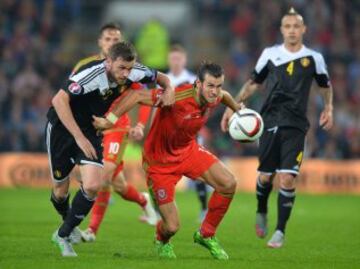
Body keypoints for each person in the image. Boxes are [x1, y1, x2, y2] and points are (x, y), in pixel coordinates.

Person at [93, 62, 242, 260]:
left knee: (228, 183)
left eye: (218, 86)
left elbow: (225, 97)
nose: (215, 92)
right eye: (211, 86)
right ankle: (161, 239)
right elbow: (136, 95)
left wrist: (237, 109)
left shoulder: (215, 97)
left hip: (188, 151)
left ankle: (206, 234)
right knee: (172, 226)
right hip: (159, 162)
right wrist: (110, 119)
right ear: (198, 84)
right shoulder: (177, 96)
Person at [46, 41, 174, 257]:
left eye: (129, 68)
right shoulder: (91, 75)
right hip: (62, 128)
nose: (126, 74)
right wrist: (78, 137)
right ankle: (68, 220)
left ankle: (63, 234)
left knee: (94, 185)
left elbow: (162, 78)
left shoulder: (134, 72)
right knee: (60, 191)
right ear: (108, 62)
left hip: (92, 129)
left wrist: (169, 89)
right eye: (121, 68)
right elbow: (59, 100)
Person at [221, 8, 333, 248]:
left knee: (288, 179)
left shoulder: (314, 58)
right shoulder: (270, 54)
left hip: (296, 125)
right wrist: (233, 106)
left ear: (304, 30)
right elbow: (253, 84)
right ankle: (261, 210)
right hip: (269, 121)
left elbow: (325, 85)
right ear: (282, 30)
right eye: (288, 26)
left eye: (296, 26)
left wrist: (329, 107)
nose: (292, 30)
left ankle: (280, 231)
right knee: (265, 177)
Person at [72, 23, 158, 244]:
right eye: (108, 39)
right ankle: (143, 200)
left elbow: (144, 95)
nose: (112, 42)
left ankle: (91, 230)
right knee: (118, 185)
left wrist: (139, 125)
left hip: (118, 127)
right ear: (100, 42)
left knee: (104, 175)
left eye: (116, 39)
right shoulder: (86, 66)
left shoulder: (128, 68)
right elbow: (72, 93)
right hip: (94, 127)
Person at [166, 44, 209, 222]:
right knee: (163, 172)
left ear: (185, 60)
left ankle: (204, 207)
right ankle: (161, 210)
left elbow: (205, 105)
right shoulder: (164, 80)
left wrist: (200, 124)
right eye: (173, 58)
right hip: (168, 134)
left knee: (198, 172)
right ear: (169, 59)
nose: (176, 61)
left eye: (179, 58)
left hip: (190, 133)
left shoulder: (193, 80)